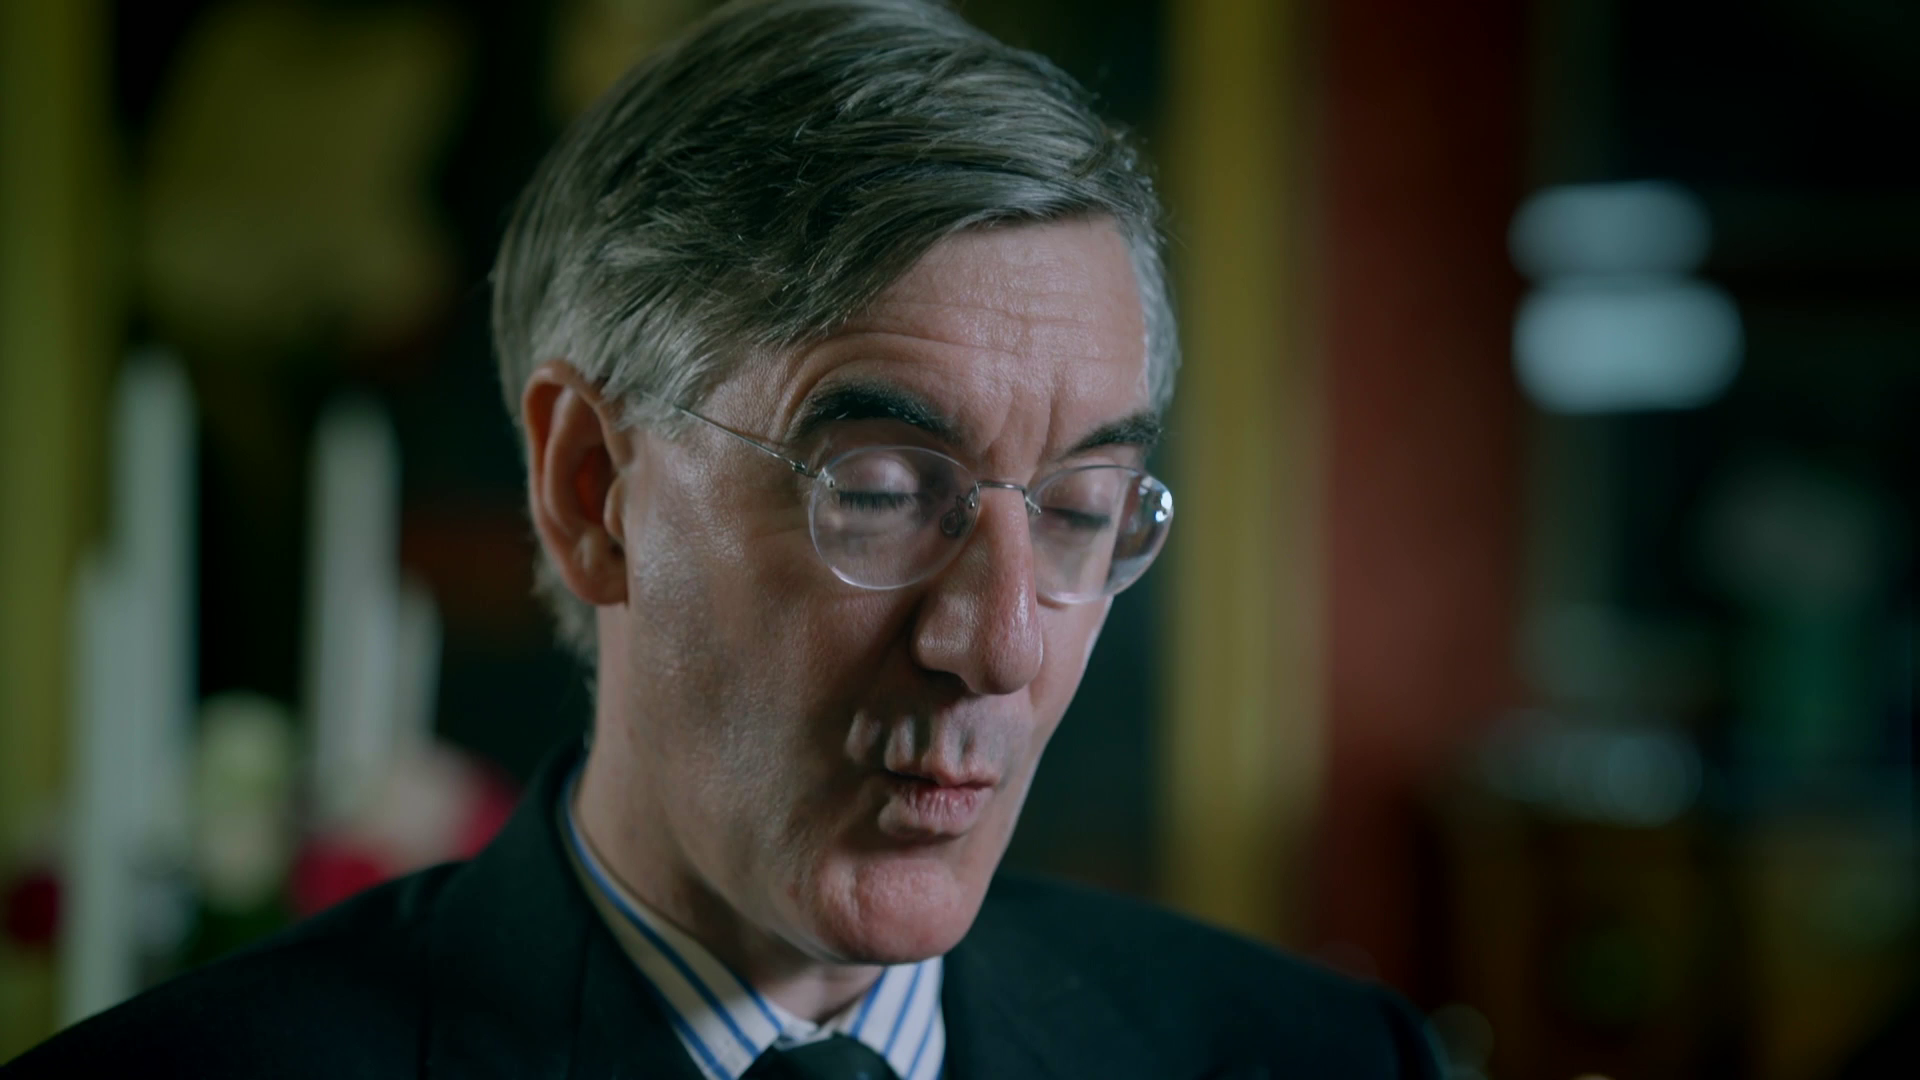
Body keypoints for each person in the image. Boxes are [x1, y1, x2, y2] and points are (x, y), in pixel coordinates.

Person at [6, 1, 1439, 1076]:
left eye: (1077, 510)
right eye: (883, 488)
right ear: (593, 489)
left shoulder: (1321, 1060)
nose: (1002, 643)